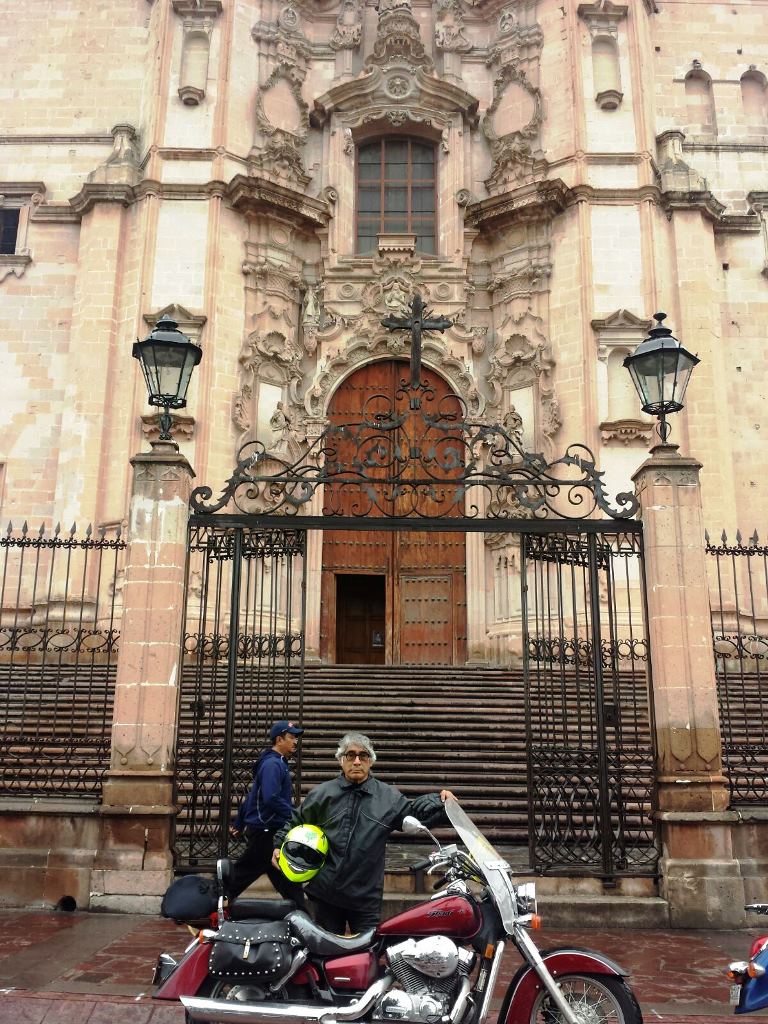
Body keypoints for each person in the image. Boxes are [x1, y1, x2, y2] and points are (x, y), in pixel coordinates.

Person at [273, 731, 454, 934]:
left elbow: (415, 816)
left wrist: (441, 804)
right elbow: (295, 821)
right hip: (326, 894)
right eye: (350, 755)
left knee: (368, 956)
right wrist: (279, 844)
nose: (357, 761)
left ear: (371, 761)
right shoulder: (322, 794)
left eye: (363, 756)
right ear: (341, 760)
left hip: (365, 898)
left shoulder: (388, 798)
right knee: (326, 956)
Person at [230, 720, 306, 904]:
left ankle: (300, 913)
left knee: (285, 878)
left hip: (268, 828)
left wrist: (240, 821)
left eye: (296, 737)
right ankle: (209, 903)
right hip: (266, 829)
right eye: (291, 737)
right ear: (279, 739)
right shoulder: (273, 764)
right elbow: (270, 797)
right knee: (241, 875)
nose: (295, 741)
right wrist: (296, 815)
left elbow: (252, 795)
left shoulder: (276, 762)